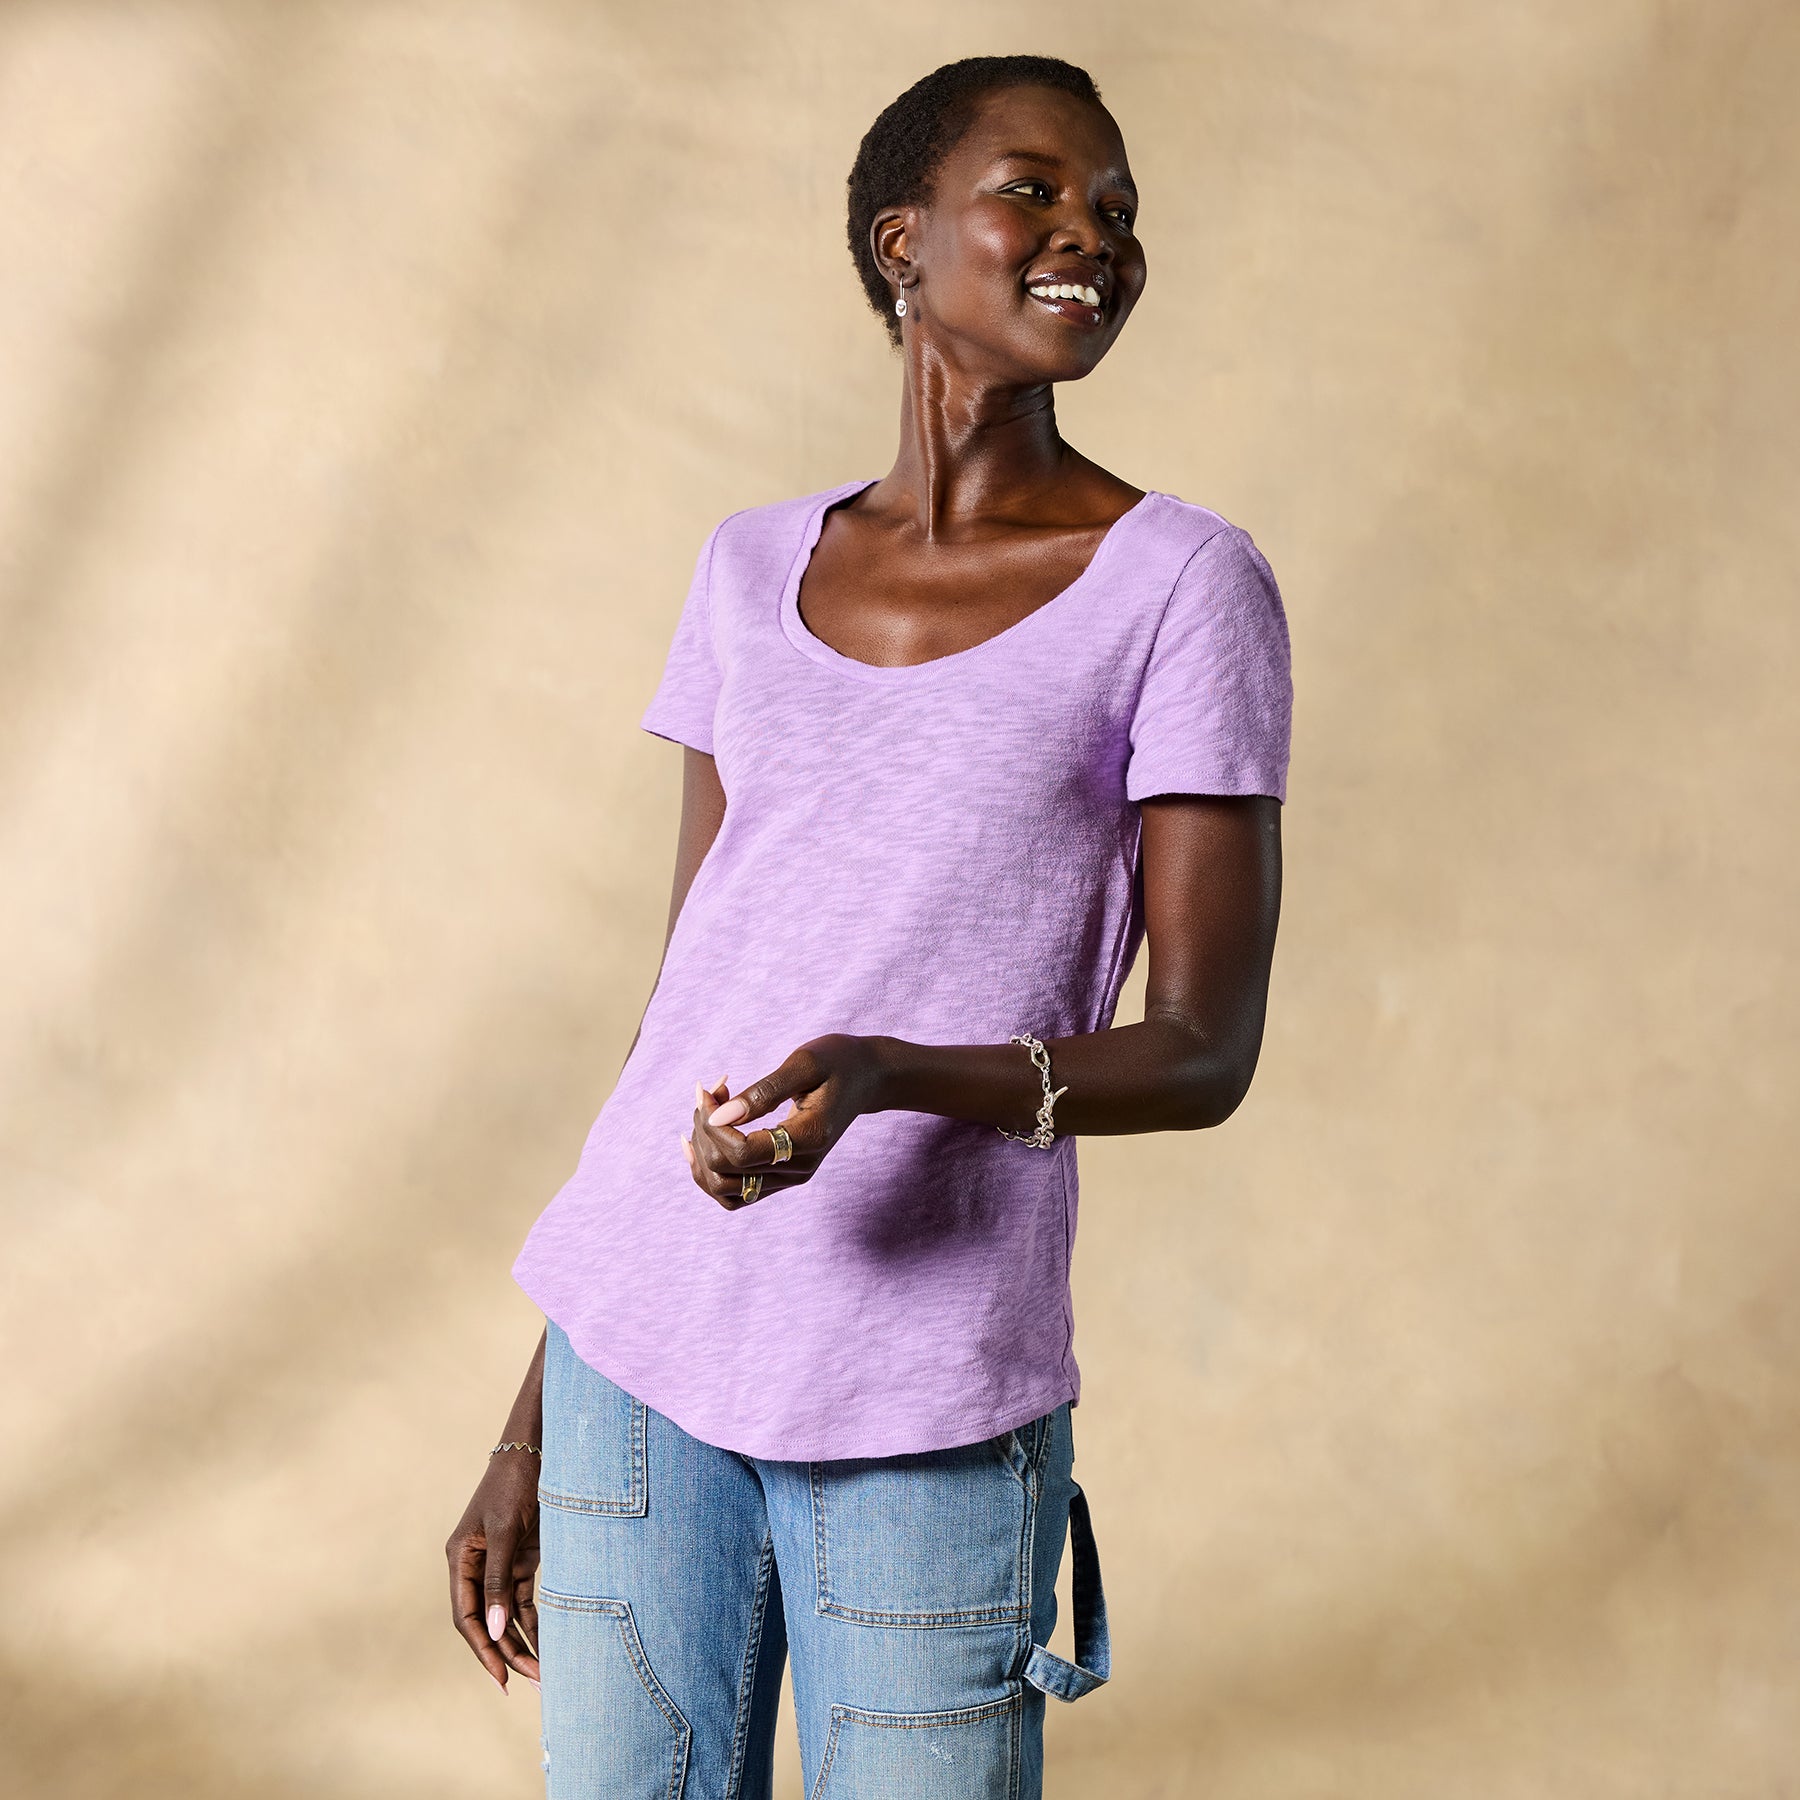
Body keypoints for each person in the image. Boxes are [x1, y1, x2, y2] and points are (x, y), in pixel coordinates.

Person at [446, 52, 1291, 1798]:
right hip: (639, 1361)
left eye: (1118, 209)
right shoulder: (746, 569)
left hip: (927, 1384)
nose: (1092, 235)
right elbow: (686, 1007)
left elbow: (1202, 1052)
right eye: (1035, 191)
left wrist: (896, 1075)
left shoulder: (1184, 587)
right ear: (904, 241)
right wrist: (534, 1418)